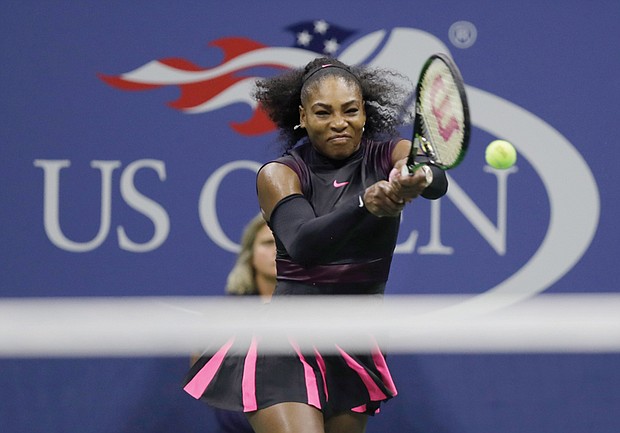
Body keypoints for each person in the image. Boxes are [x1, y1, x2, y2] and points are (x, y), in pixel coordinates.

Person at [184, 57, 448, 433]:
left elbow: (435, 182)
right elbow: (305, 244)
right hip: (286, 342)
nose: (339, 122)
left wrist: (418, 175)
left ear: (364, 114)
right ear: (302, 117)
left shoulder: (391, 154)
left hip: (353, 340)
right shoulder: (280, 174)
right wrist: (365, 205)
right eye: (323, 112)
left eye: (350, 111)